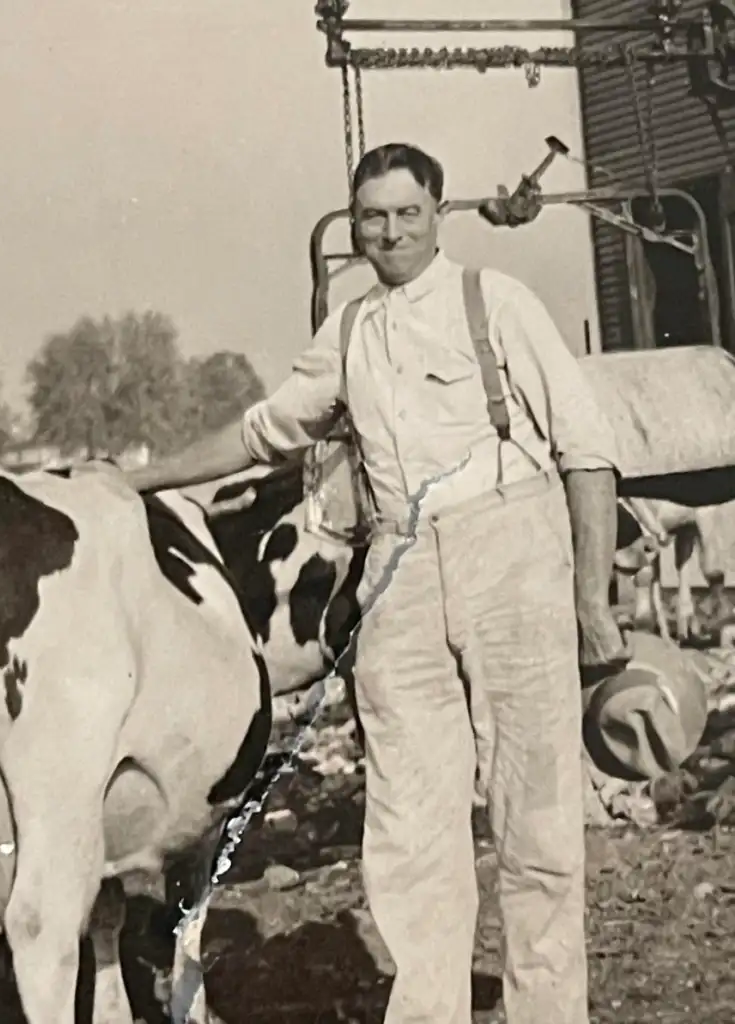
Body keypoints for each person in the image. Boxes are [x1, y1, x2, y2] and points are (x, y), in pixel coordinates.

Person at [125, 142, 630, 1024]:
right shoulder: (351, 329)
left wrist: (591, 600)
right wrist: (136, 481)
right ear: (353, 226)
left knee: (535, 816)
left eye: (406, 213)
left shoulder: (496, 303)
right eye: (371, 218)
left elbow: (587, 453)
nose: (389, 232)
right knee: (407, 823)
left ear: (436, 214)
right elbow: (261, 432)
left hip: (509, 548)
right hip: (397, 571)